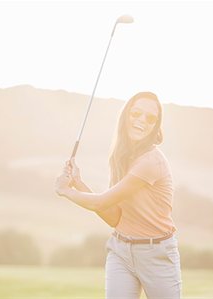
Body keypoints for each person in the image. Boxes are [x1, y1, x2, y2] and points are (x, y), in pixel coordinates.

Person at [55, 91, 182, 299]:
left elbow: (100, 202)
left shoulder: (151, 162)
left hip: (157, 254)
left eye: (150, 118)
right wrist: (78, 183)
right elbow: (115, 216)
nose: (142, 120)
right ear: (126, 115)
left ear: (156, 126)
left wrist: (66, 190)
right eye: (136, 113)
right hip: (121, 250)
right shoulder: (121, 157)